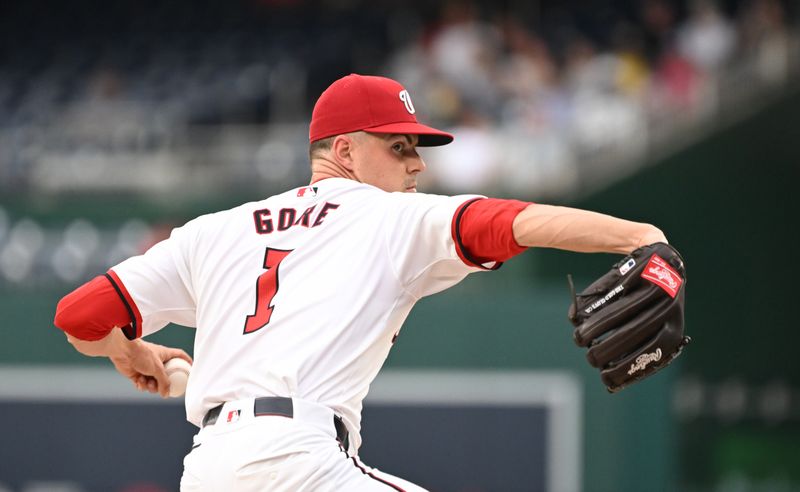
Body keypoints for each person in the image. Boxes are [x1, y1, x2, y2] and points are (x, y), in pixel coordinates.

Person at [53, 73, 668, 491]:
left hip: (210, 470)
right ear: (345, 151)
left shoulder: (213, 231)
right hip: (298, 462)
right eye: (400, 147)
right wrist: (639, 235)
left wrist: (133, 352)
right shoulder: (389, 215)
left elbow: (79, 316)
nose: (417, 163)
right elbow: (517, 221)